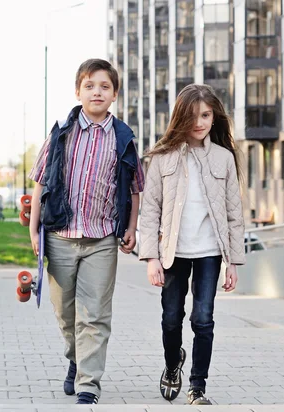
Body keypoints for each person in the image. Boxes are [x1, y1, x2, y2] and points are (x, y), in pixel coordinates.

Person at [27, 58, 145, 405]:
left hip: (102, 239)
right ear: (78, 91)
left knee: (94, 315)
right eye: (90, 85)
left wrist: (131, 228)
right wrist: (35, 231)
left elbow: (135, 188)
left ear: (114, 95)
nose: (97, 91)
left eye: (104, 86)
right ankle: (76, 360)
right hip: (61, 235)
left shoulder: (123, 138)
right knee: (65, 314)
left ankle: (88, 385)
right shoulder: (61, 132)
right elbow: (40, 183)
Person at [139, 84, 245, 405]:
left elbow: (233, 213)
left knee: (203, 319)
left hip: (210, 254)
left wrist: (233, 262)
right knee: (171, 318)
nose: (199, 122)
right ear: (180, 117)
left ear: (214, 117)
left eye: (206, 115)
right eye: (193, 115)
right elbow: (150, 209)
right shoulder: (162, 157)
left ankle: (197, 387)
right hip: (173, 253)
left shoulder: (224, 158)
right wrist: (151, 258)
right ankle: (173, 366)